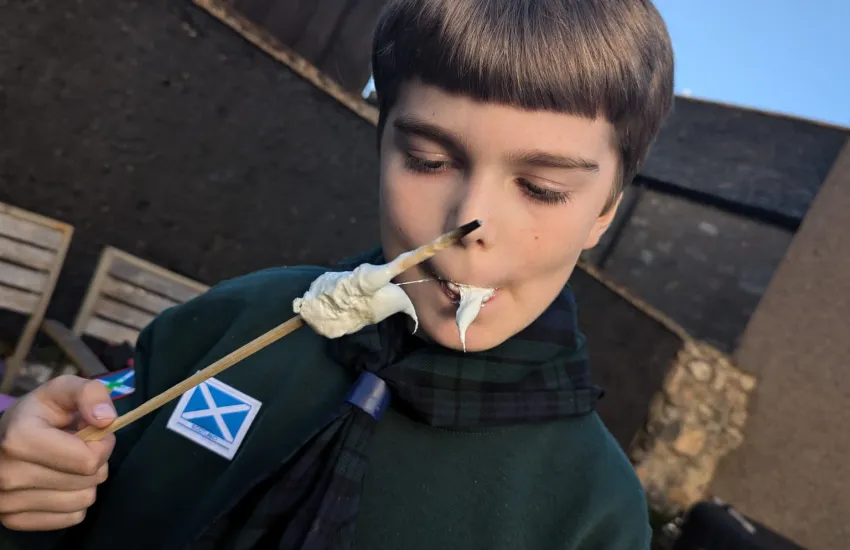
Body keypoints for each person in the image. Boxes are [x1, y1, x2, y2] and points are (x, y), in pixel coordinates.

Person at [0, 0, 674, 548]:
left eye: (543, 187)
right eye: (427, 159)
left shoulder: (594, 515)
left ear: (603, 215)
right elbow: (81, 451)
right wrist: (30, 469)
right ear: (380, 146)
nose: (469, 225)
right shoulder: (240, 318)